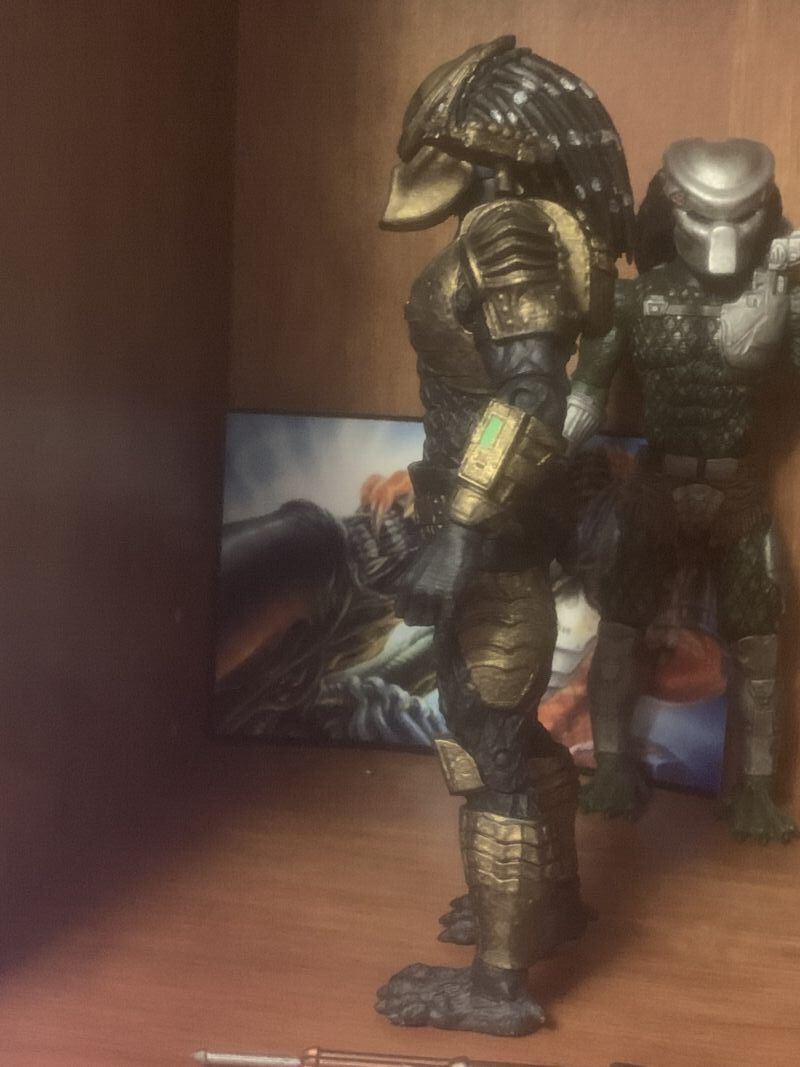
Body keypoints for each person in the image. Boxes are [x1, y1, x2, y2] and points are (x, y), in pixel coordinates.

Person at [376, 35, 634, 1035]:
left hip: (494, 537)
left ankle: (495, 985)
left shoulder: (506, 228)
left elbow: (530, 392)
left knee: (484, 746)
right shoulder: (517, 225)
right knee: (511, 732)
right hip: (498, 525)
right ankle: (550, 901)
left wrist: (460, 530)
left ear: (488, 146)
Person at [564, 137, 799, 843]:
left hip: (739, 493)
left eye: (741, 217)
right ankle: (611, 767)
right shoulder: (634, 301)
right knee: (619, 629)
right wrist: (537, 448)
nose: (721, 238)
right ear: (674, 209)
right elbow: (584, 397)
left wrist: (784, 295)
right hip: (657, 488)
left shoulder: (781, 299)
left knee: (761, 645)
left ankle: (754, 790)